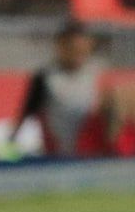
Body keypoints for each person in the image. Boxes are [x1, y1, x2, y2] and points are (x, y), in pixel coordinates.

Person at [11, 20, 103, 161]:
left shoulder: (94, 74)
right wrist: (11, 142)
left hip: (90, 154)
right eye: (73, 49)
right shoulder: (46, 78)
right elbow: (26, 112)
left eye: (83, 50)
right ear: (61, 46)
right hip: (59, 156)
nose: (78, 55)